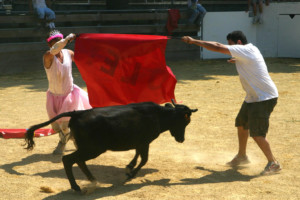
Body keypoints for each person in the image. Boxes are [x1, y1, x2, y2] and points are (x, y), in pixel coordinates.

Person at [182, 31, 281, 175]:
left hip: (264, 98)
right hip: (253, 97)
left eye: (231, 45)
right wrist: (238, 60)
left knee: (257, 133)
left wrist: (193, 41)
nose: (229, 49)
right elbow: (251, 62)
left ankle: (274, 163)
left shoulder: (245, 49)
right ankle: (242, 156)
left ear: (239, 43)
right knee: (241, 123)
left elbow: (216, 46)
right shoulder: (249, 51)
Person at [44, 30, 92, 154]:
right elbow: (56, 49)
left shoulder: (68, 53)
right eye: (54, 42)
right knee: (56, 127)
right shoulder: (48, 56)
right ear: (50, 44)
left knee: (66, 125)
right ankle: (71, 139)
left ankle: (65, 143)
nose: (57, 43)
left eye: (58, 40)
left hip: (70, 95)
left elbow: (84, 61)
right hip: (54, 97)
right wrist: (67, 39)